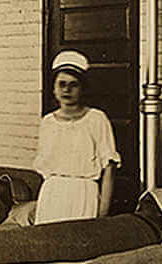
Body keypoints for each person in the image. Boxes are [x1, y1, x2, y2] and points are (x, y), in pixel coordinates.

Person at [33, 50, 120, 224]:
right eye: (62, 84)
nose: (67, 90)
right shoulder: (48, 122)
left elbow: (109, 169)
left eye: (74, 85)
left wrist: (103, 213)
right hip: (52, 195)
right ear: (54, 89)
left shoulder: (96, 119)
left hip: (84, 194)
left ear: (83, 88)